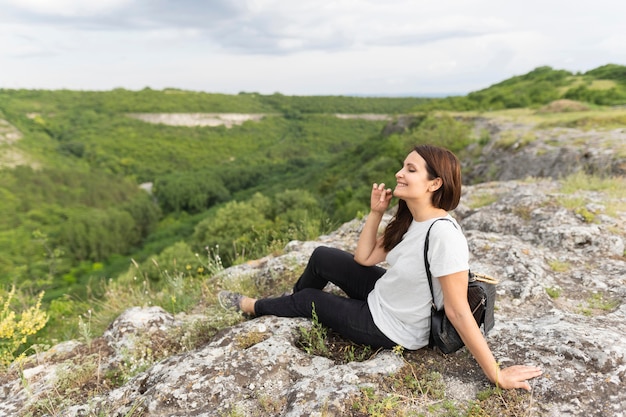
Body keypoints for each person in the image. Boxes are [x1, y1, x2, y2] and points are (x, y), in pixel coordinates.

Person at [218, 144, 542, 390]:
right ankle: (293, 308)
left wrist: (496, 373)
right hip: (384, 295)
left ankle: (256, 308)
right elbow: (365, 259)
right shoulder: (412, 219)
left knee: (309, 301)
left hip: (393, 326)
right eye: (403, 166)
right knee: (322, 256)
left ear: (434, 183)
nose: (400, 173)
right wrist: (376, 213)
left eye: (411, 170)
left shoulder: (445, 236)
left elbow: (457, 312)